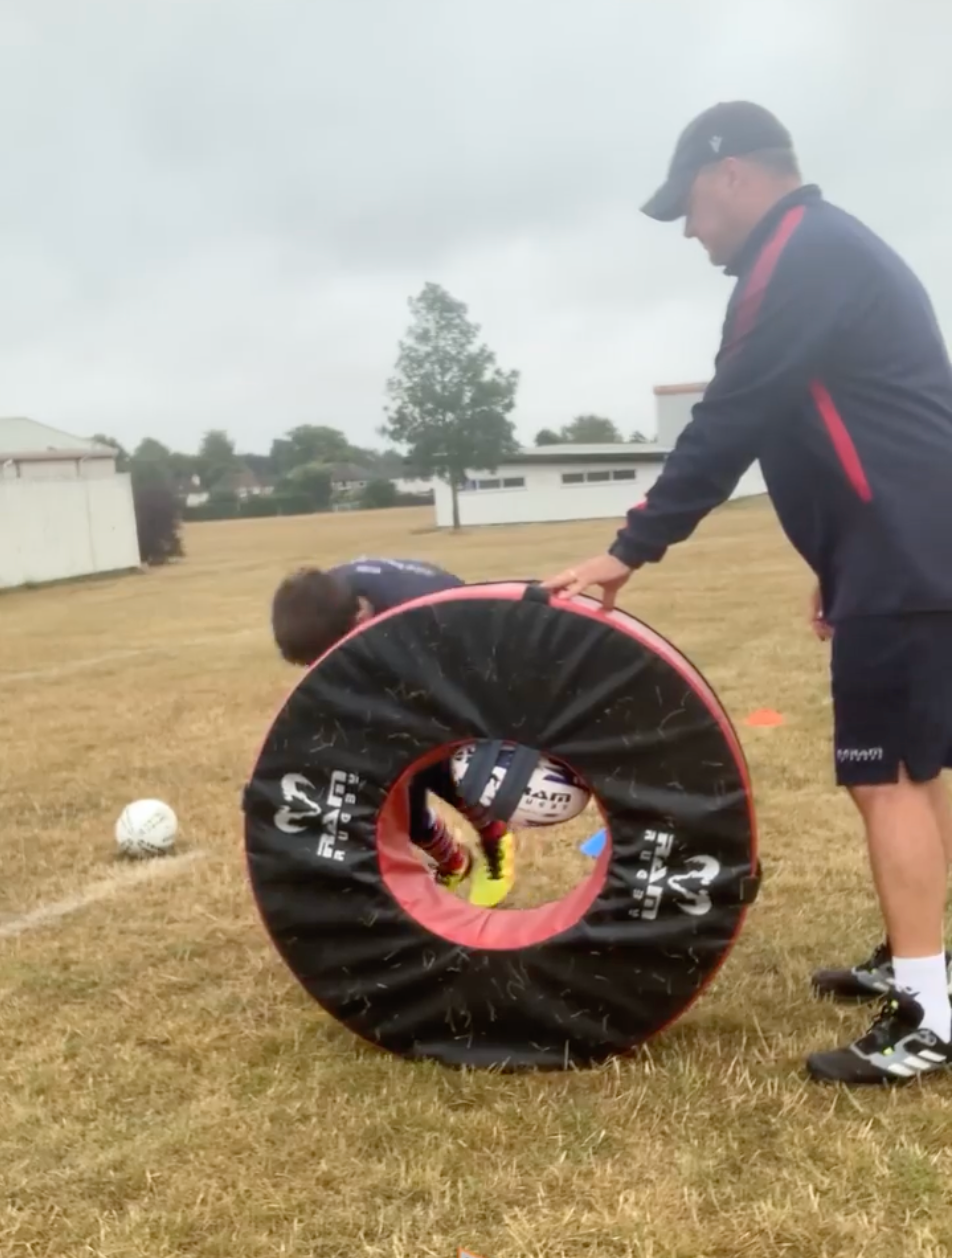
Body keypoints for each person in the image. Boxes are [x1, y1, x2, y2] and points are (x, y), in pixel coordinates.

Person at [543, 102, 951, 1085]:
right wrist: (840, 558)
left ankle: (927, 1015)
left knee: (882, 773)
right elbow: (860, 422)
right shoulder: (826, 250)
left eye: (686, 206)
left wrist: (628, 549)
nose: (689, 231)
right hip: (897, 548)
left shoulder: (797, 255)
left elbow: (729, 422)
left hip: (899, 554)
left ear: (729, 174)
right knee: (921, 764)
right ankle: (931, 963)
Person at [270, 557, 516, 908]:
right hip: (392, 650)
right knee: (386, 775)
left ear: (357, 624)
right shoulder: (323, 604)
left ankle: (495, 834)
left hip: (462, 660)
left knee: (421, 754)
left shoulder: (425, 617)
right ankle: (453, 860)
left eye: (323, 661)